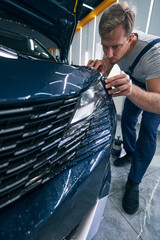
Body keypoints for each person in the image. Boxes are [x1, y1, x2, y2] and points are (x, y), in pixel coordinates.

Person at [87, 1, 160, 215]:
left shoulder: (154, 54)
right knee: (127, 119)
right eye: (104, 46)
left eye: (115, 47)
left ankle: (134, 182)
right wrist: (94, 72)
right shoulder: (113, 45)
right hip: (136, 81)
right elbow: (105, 68)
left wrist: (130, 91)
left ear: (130, 39)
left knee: (147, 132)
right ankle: (130, 151)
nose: (109, 54)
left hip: (155, 87)